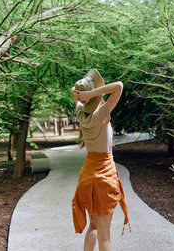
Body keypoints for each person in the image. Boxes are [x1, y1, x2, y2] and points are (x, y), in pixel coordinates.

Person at [71, 69, 129, 251]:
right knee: (105, 237)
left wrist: (83, 95)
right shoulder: (101, 114)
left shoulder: (81, 113)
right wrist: (92, 93)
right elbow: (118, 86)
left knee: (93, 226)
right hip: (104, 177)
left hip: (88, 176)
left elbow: (73, 92)